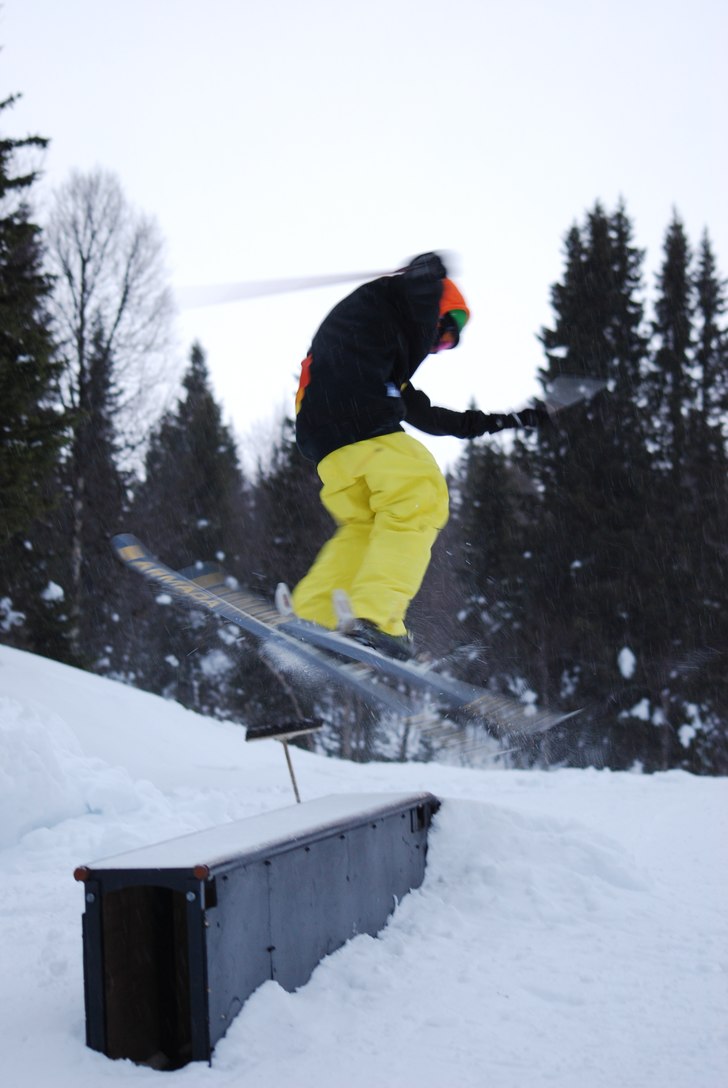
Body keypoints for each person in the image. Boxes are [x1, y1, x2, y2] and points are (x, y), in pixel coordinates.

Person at [291, 252, 548, 659]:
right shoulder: (401, 300)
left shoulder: (379, 356)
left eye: (446, 346)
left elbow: (433, 418)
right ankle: (377, 618)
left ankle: (315, 616)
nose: (436, 348)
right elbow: (421, 294)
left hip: (326, 437)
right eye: (443, 336)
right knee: (420, 494)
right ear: (435, 315)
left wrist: (508, 420)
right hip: (356, 415)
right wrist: (430, 273)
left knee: (366, 524)